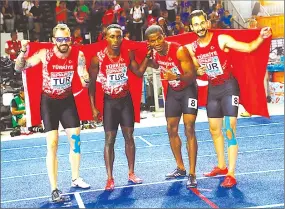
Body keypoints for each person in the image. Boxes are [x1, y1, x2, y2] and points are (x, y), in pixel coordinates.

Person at [185, 10, 271, 188]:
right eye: (196, 24)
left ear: (207, 23)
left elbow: (248, 48)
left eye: (202, 23)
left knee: (229, 129)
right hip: (213, 90)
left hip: (229, 87)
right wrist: (197, 70)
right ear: (191, 27)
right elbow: (190, 63)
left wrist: (261, 37)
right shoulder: (192, 48)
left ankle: (231, 173)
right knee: (214, 130)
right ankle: (222, 166)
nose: (200, 27)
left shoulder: (221, 39)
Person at [14, 23, 91, 202]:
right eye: (60, 39)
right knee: (53, 144)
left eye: (67, 39)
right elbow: (19, 68)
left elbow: (83, 75)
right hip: (49, 102)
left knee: (76, 140)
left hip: (67, 101)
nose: (64, 42)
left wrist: (86, 79)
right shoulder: (44, 54)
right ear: (53, 40)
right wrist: (23, 51)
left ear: (70, 39)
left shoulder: (78, 55)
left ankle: (75, 177)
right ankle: (54, 188)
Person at [88, 24, 147, 191]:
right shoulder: (97, 59)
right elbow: (91, 85)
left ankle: (131, 173)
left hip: (125, 101)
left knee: (129, 137)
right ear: (106, 37)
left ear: (122, 38)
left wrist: (148, 56)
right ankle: (109, 178)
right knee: (109, 140)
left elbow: (139, 73)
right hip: (110, 103)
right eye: (112, 36)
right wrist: (93, 107)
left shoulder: (127, 54)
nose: (115, 40)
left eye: (118, 36)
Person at [143, 25, 198, 188]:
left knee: (189, 128)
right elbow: (156, 64)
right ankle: (180, 168)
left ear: (164, 35)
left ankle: (192, 173)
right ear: (149, 43)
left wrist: (177, 76)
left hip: (188, 90)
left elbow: (192, 75)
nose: (157, 42)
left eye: (159, 38)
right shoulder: (154, 52)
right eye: (152, 41)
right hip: (174, 92)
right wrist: (148, 58)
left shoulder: (179, 50)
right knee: (171, 129)